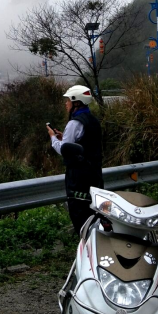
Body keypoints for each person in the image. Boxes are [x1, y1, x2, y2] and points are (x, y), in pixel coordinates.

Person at [47, 85, 103, 234]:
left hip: (78, 176)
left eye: (68, 101)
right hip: (95, 173)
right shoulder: (93, 120)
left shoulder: (74, 123)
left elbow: (64, 150)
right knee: (93, 209)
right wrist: (62, 138)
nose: (66, 104)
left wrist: (53, 138)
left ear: (76, 102)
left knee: (79, 210)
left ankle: (85, 243)